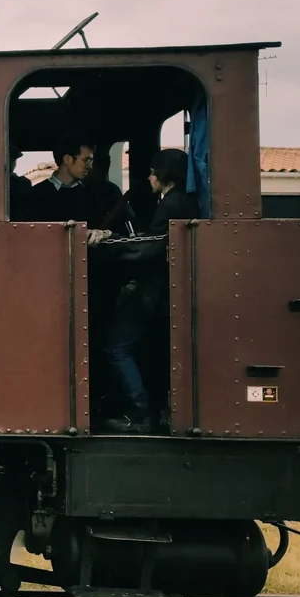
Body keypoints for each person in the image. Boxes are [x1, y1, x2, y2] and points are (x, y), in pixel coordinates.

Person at [100, 147, 202, 434]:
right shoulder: (184, 201)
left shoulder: (172, 203)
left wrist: (110, 244)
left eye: (153, 172)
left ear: (163, 175)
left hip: (154, 294)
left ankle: (139, 413)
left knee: (116, 346)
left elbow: (152, 245)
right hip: (164, 293)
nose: (149, 177)